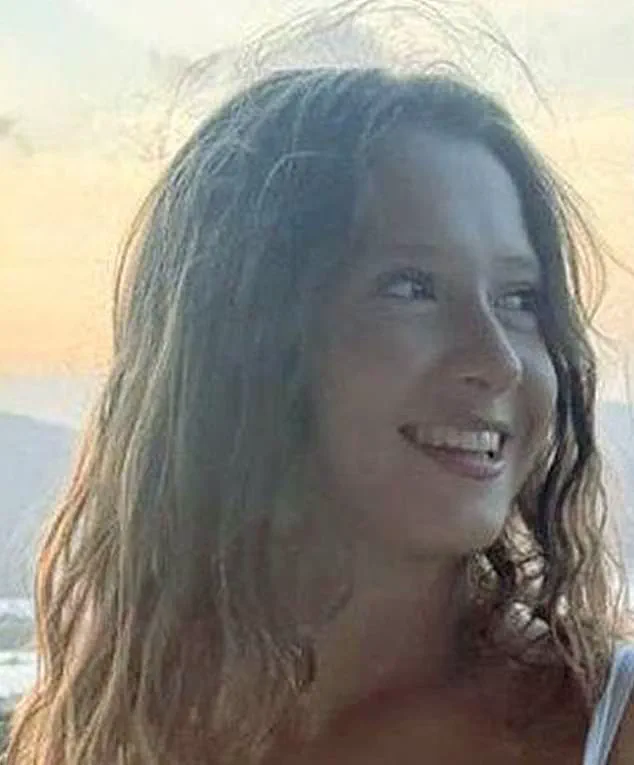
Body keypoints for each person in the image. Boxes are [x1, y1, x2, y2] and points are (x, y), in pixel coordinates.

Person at [5, 61, 634, 765]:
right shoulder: (120, 728)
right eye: (413, 287)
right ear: (243, 339)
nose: (499, 359)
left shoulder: (605, 727)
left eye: (519, 299)